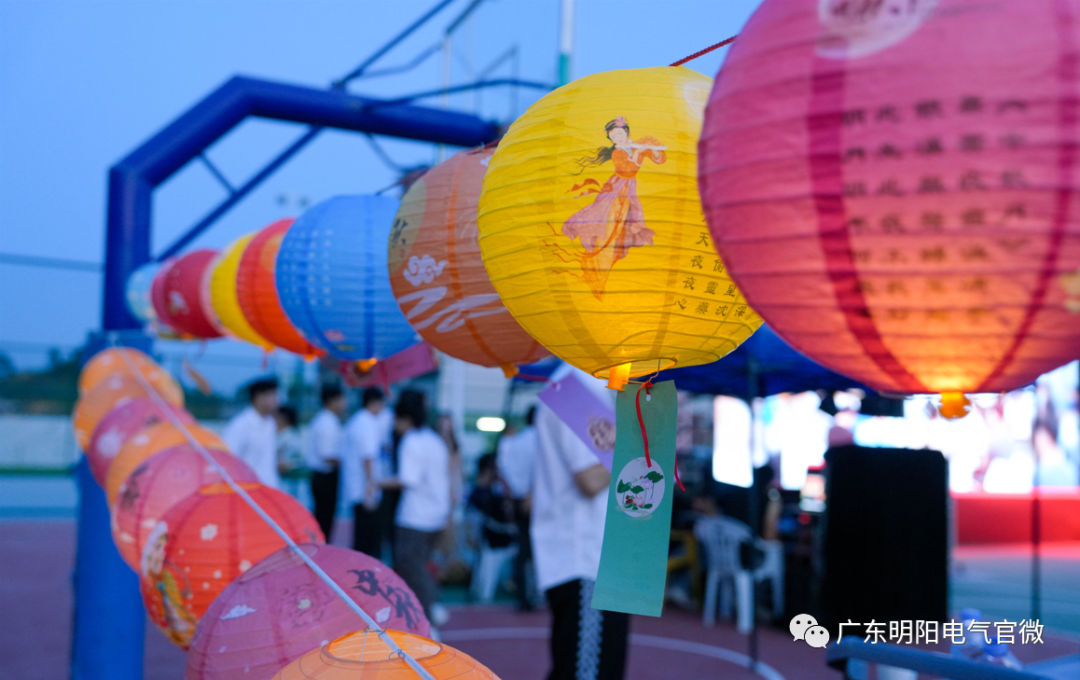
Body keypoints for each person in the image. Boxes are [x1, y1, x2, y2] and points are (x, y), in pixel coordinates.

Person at [533, 364, 627, 680]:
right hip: (587, 560)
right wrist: (643, 444)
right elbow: (589, 478)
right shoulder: (580, 385)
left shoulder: (581, 383)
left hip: (591, 558)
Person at [378, 390, 451, 625]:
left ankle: (427, 617)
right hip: (436, 514)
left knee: (411, 569)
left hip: (415, 516)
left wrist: (376, 482)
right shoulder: (434, 439)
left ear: (405, 418)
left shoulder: (410, 440)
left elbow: (408, 479)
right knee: (421, 566)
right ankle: (432, 609)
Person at [497, 406, 540, 610]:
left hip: (517, 497)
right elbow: (540, 470)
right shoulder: (540, 440)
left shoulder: (516, 441)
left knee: (522, 549)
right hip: (535, 498)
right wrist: (531, 492)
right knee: (537, 549)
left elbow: (504, 470)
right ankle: (537, 593)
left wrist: (514, 493)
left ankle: (523, 596)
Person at [342, 387, 390, 558]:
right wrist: (371, 484)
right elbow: (368, 457)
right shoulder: (367, 423)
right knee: (367, 539)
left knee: (362, 536)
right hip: (365, 487)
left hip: (357, 486)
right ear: (375, 403)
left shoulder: (357, 421)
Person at [223, 378, 280, 489]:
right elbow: (228, 458)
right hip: (247, 489)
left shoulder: (270, 423)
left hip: (269, 486)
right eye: (272, 396)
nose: (277, 401)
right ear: (258, 397)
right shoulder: (241, 424)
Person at [307, 384, 346, 541]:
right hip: (325, 476)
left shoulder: (327, 420)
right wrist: (348, 462)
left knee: (325, 519)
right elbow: (327, 456)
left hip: (324, 476)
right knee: (324, 521)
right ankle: (321, 554)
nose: (344, 403)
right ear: (332, 401)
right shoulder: (327, 423)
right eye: (342, 399)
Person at [274, 405, 305, 499]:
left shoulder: (291, 437)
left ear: (284, 419)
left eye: (275, 416)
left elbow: (287, 465)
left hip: (290, 484)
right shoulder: (280, 436)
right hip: (284, 483)